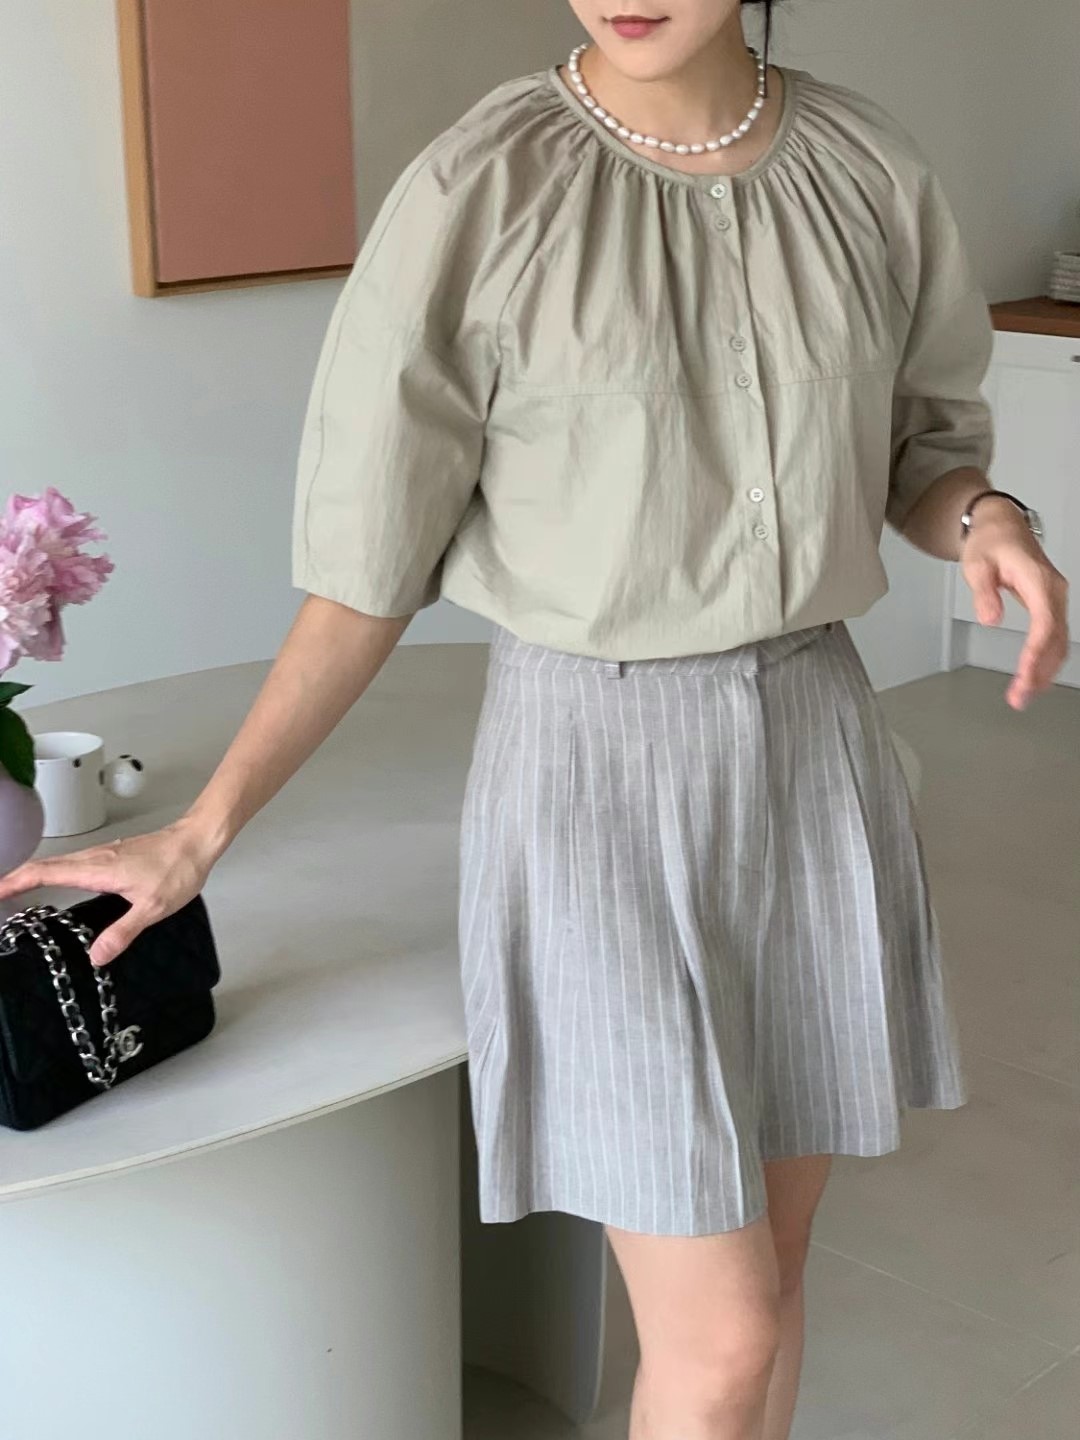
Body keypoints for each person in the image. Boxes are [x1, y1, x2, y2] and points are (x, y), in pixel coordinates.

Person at [0, 4, 1070, 1437]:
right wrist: (202, 828)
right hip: (593, 772)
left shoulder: (867, 167)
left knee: (773, 1275)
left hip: (816, 742)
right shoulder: (481, 186)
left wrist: (989, 518)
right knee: (724, 1333)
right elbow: (368, 567)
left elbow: (926, 449)